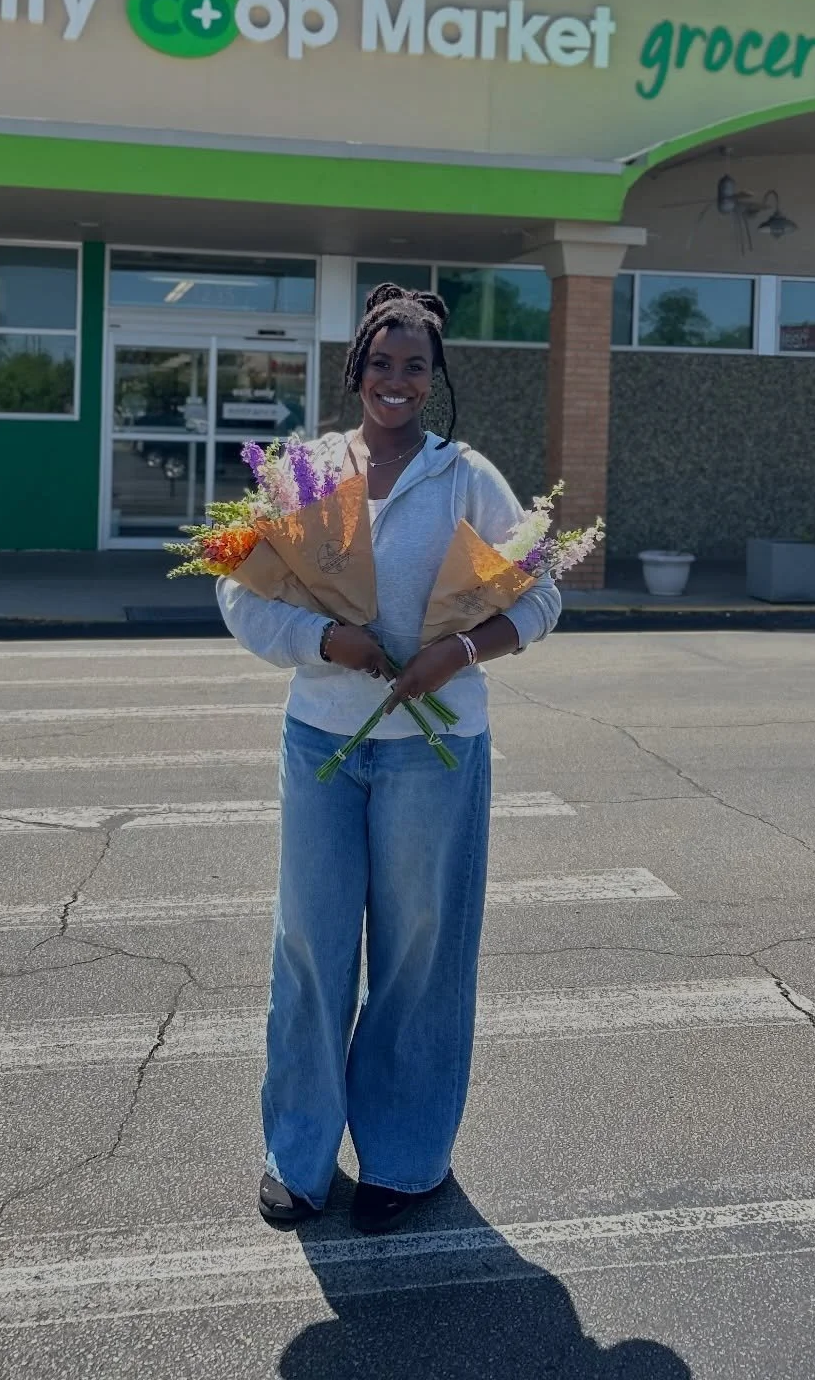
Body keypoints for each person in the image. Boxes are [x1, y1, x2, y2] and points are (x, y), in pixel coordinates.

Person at [218, 282, 562, 1235]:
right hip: (322, 742)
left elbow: (539, 599)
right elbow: (242, 599)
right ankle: (298, 1156)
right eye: (382, 364)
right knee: (311, 952)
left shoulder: (468, 480)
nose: (396, 381)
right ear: (356, 371)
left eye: (415, 366)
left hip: (434, 753)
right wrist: (327, 645)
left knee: (419, 958)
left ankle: (407, 1161)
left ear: (434, 376)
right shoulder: (307, 473)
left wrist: (459, 650)